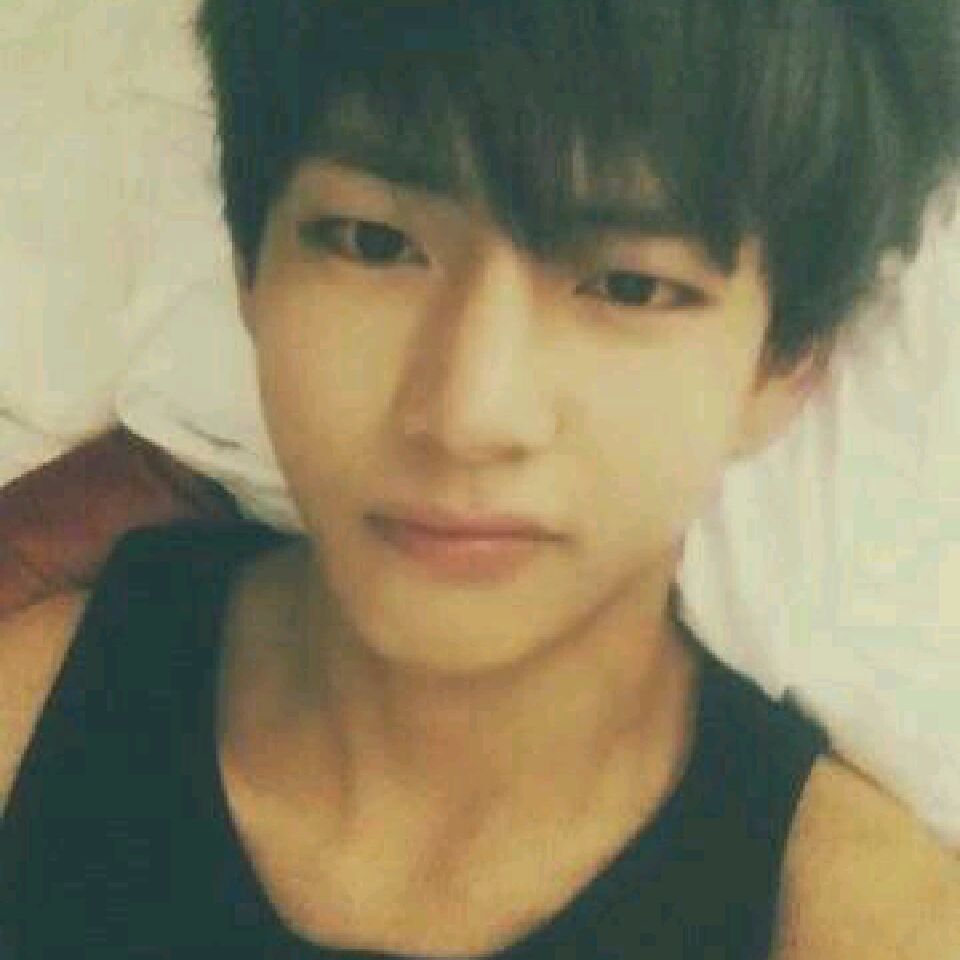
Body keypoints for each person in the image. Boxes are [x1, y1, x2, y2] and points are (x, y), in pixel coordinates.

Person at [2, 1, 959, 956]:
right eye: (374, 242)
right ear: (251, 268)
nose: (468, 414)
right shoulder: (32, 708)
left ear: (783, 363)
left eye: (629, 286)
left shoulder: (861, 918)